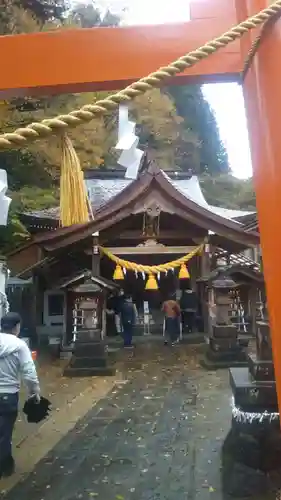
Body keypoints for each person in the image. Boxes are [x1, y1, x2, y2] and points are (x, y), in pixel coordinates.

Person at [0, 312, 40, 478]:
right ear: (17, 327)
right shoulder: (20, 345)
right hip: (8, 395)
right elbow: (28, 371)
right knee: (5, 432)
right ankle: (5, 466)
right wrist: (34, 391)